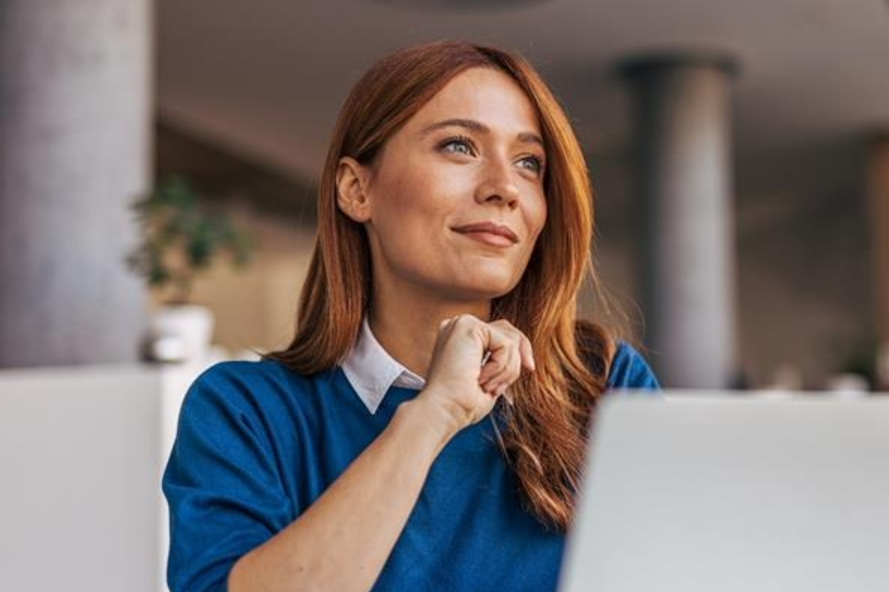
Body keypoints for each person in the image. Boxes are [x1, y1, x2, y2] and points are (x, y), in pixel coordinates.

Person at [162, 41, 660, 592]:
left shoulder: (602, 384)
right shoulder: (246, 410)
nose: (504, 189)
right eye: (458, 146)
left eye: (528, 163)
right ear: (357, 189)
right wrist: (431, 416)